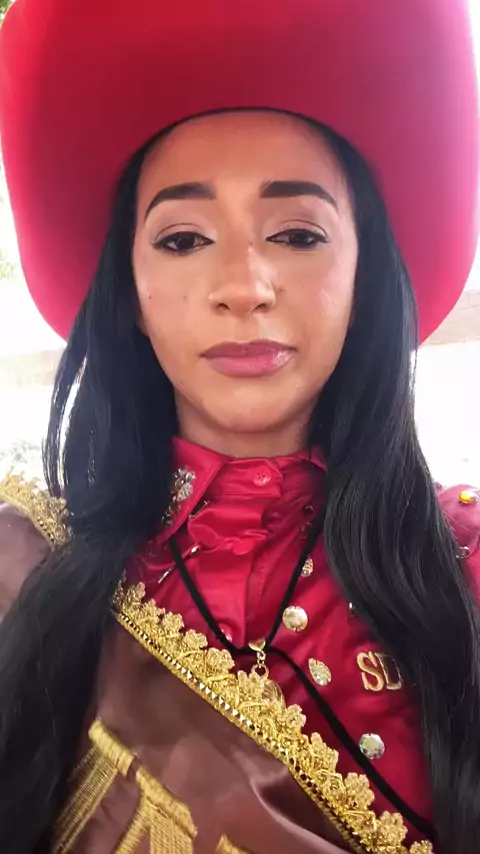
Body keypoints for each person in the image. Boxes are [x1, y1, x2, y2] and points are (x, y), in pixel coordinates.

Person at [0, 1, 479, 852]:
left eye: (296, 233)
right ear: (130, 293)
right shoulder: (22, 578)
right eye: (183, 240)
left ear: (365, 275)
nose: (244, 286)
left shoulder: (463, 579)